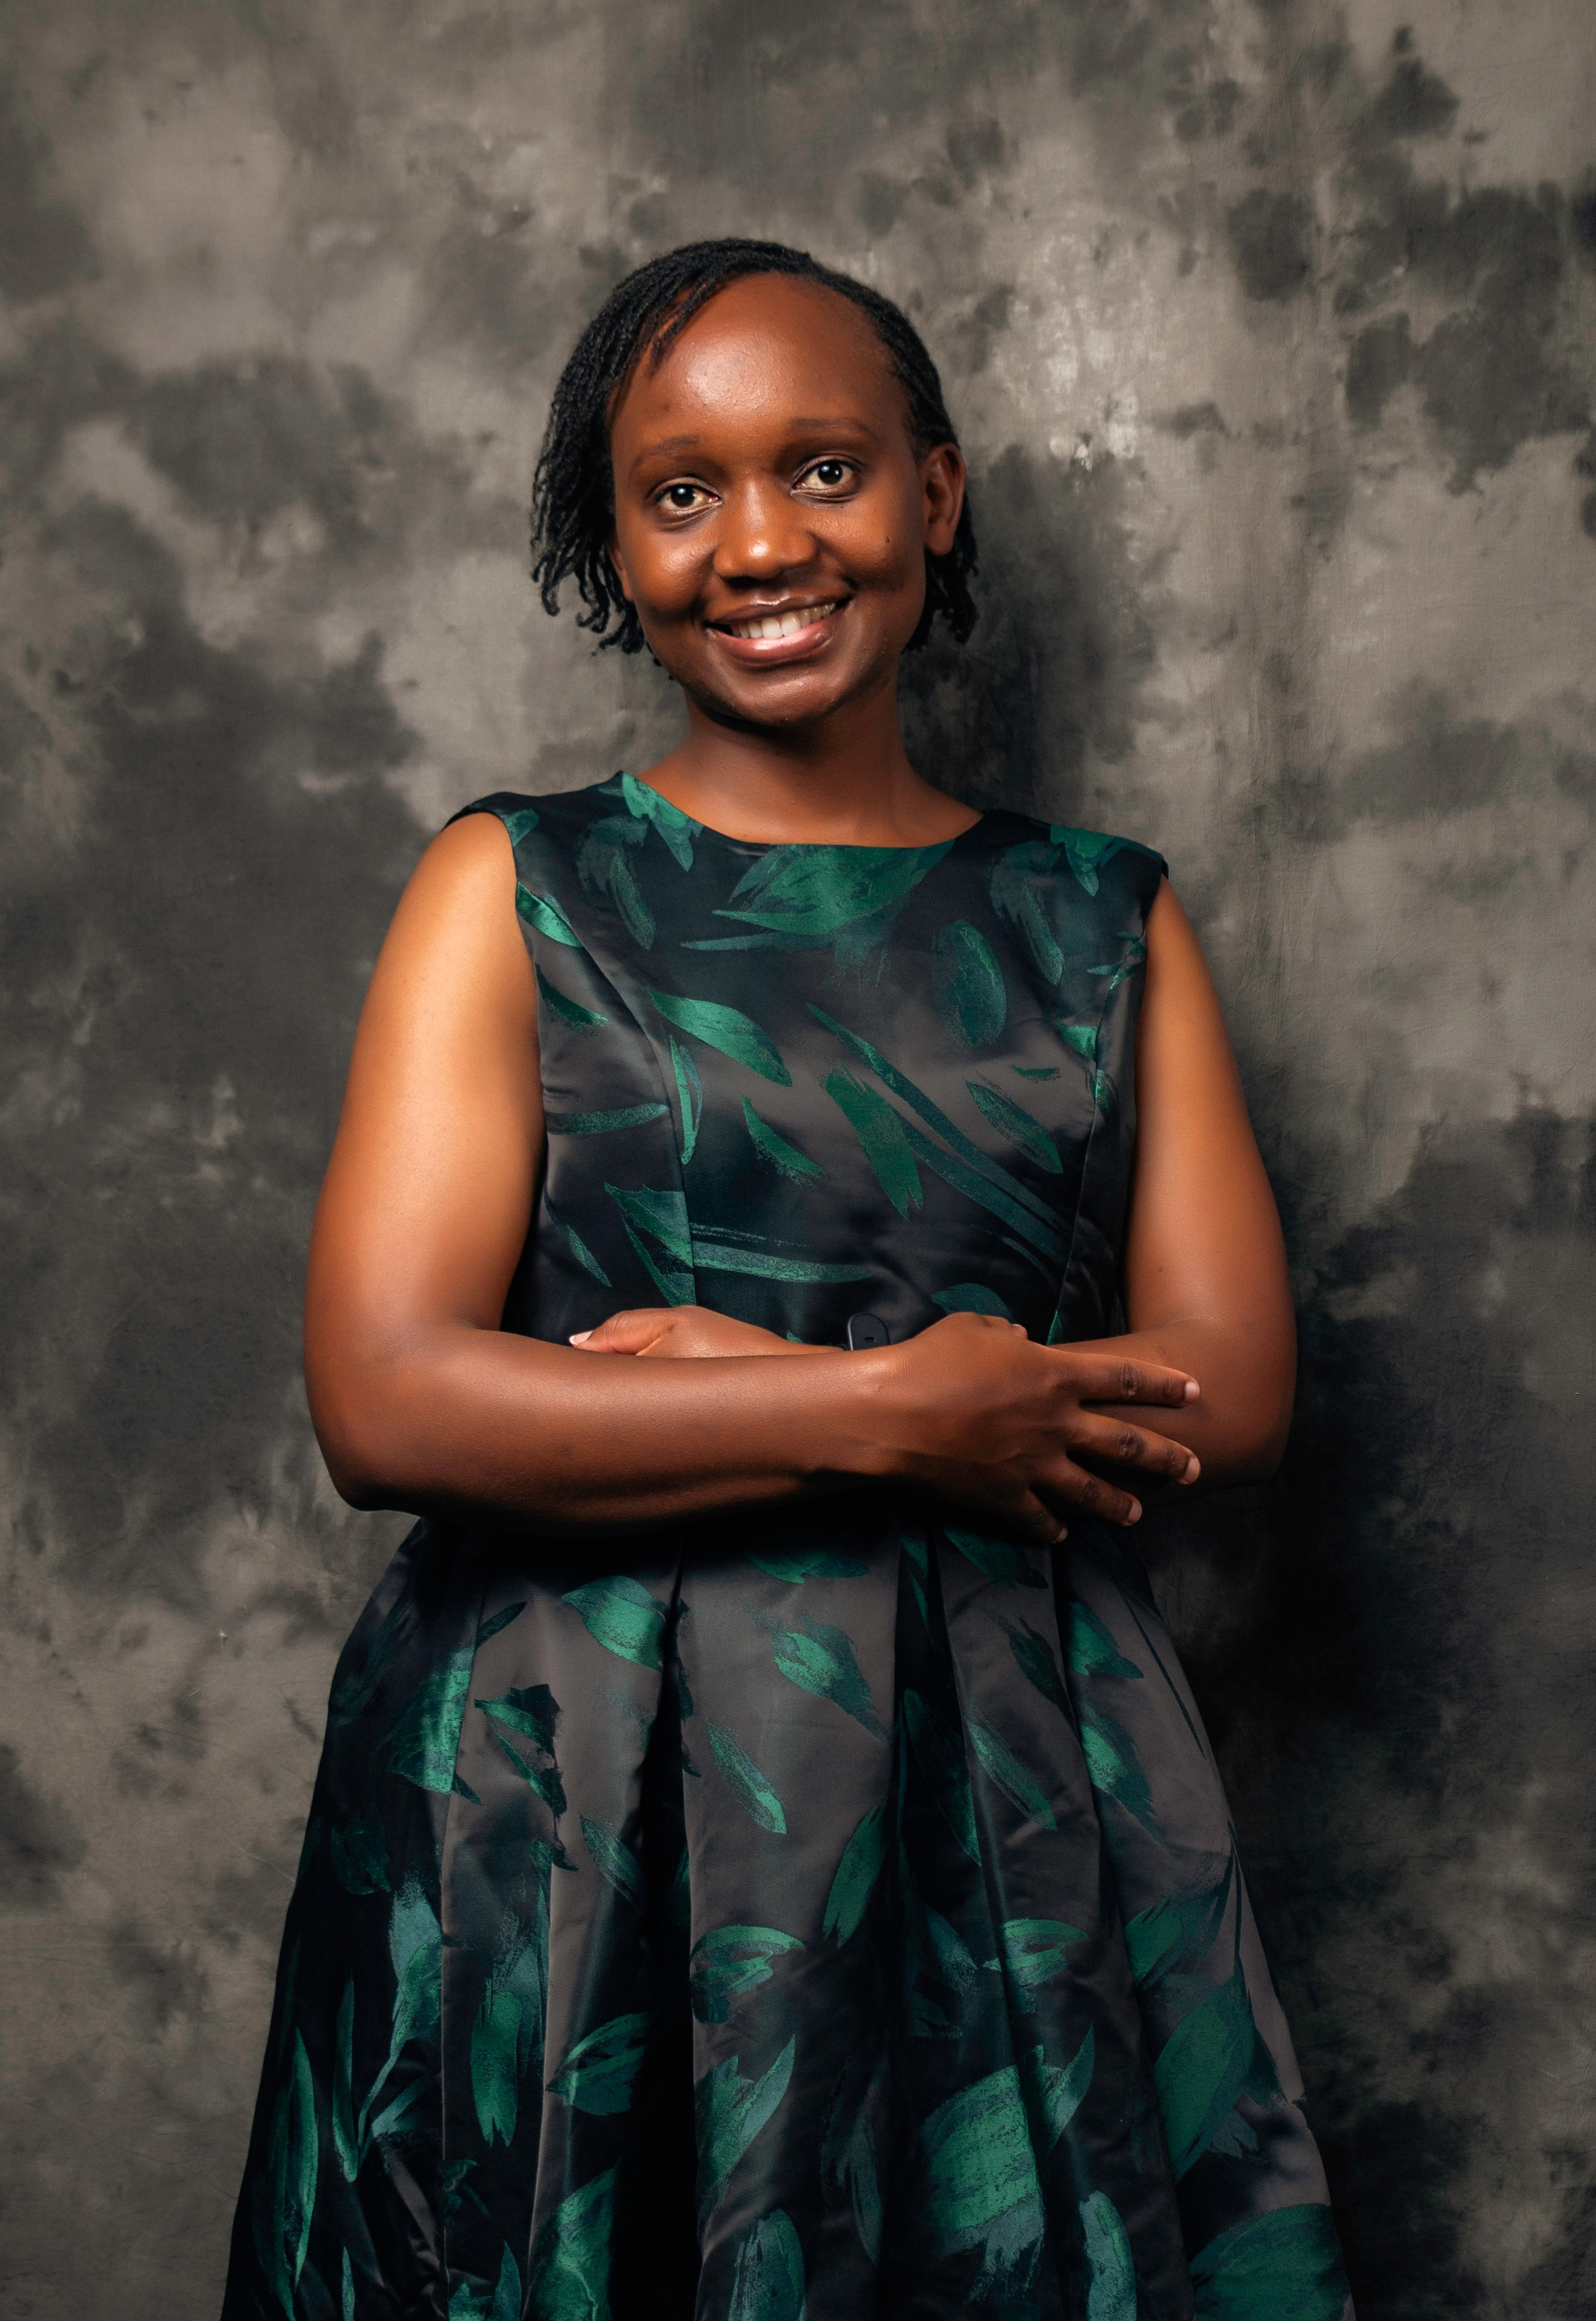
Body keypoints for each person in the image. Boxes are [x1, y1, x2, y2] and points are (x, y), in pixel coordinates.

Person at [221, 238, 1353, 2321]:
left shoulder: (1101, 918)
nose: (760, 542)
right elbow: (385, 1398)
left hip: (994, 1794)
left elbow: (1239, 1381)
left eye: (822, 469)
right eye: (681, 491)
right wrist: (882, 1410)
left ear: (934, 488)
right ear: (614, 542)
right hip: (572, 1791)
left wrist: (839, 1384)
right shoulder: (513, 888)